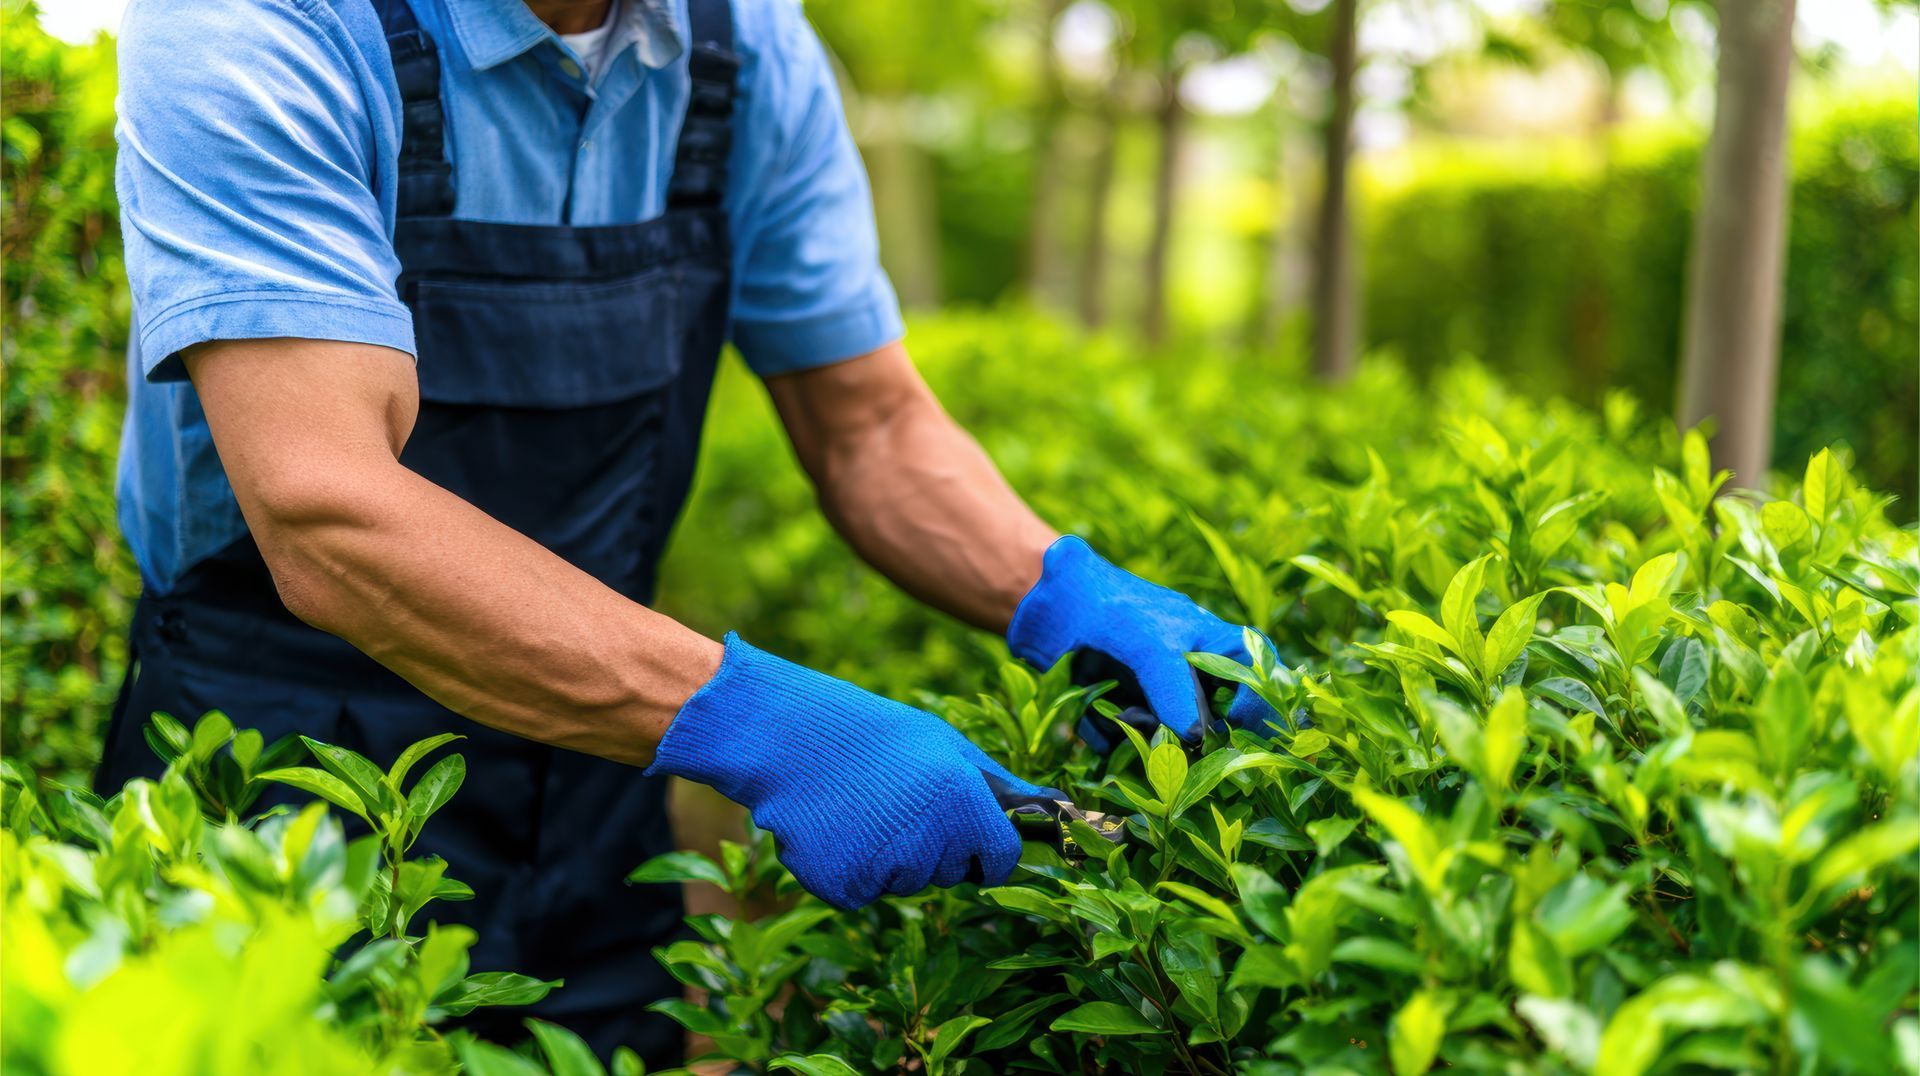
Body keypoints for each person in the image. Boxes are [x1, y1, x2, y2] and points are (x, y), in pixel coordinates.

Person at [97, 0, 1282, 1061]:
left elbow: (868, 422)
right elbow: (329, 514)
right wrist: (768, 723)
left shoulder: (746, 43)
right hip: (285, 766)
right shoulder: (256, 25)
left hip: (604, 748)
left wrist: (1063, 589)